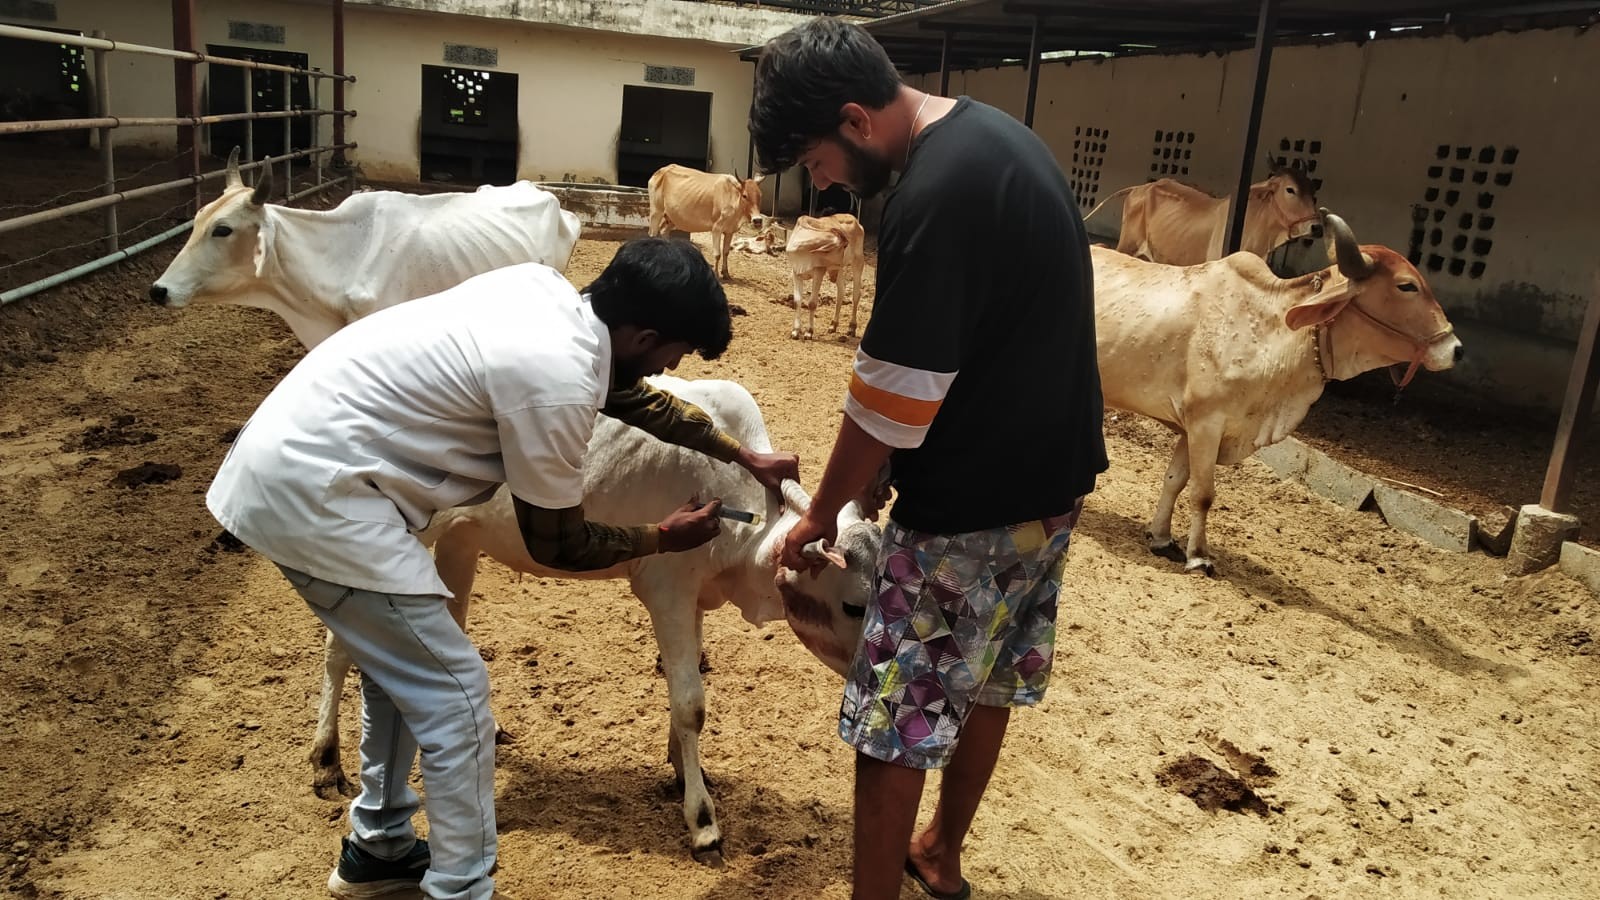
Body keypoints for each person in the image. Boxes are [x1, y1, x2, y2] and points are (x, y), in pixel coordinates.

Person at [206, 238, 800, 900]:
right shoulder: (556, 387)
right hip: (322, 494)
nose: (672, 367)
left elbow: (635, 399)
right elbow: (558, 544)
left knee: (398, 673)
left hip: (308, 458)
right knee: (458, 698)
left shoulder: (550, 299)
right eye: (674, 354)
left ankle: (378, 847)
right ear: (646, 336)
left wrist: (741, 454)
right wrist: (662, 537)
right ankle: (461, 886)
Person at [750, 18, 1108, 900]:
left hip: (969, 511)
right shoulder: (1000, 138)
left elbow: (888, 399)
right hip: (1052, 488)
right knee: (985, 678)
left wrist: (824, 511)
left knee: (891, 720)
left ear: (854, 119)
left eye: (816, 160)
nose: (820, 181)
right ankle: (939, 854)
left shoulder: (930, 198)